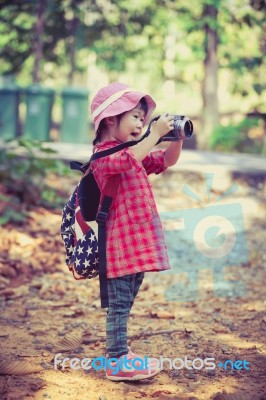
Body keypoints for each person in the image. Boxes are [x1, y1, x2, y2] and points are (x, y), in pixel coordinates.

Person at [90, 82, 184, 381]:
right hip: (118, 245)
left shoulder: (134, 151)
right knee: (118, 306)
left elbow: (166, 160)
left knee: (125, 304)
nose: (141, 124)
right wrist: (153, 135)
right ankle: (116, 360)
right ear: (110, 119)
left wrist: (175, 138)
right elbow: (129, 158)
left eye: (144, 119)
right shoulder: (103, 156)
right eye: (136, 117)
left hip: (137, 244)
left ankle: (121, 352)